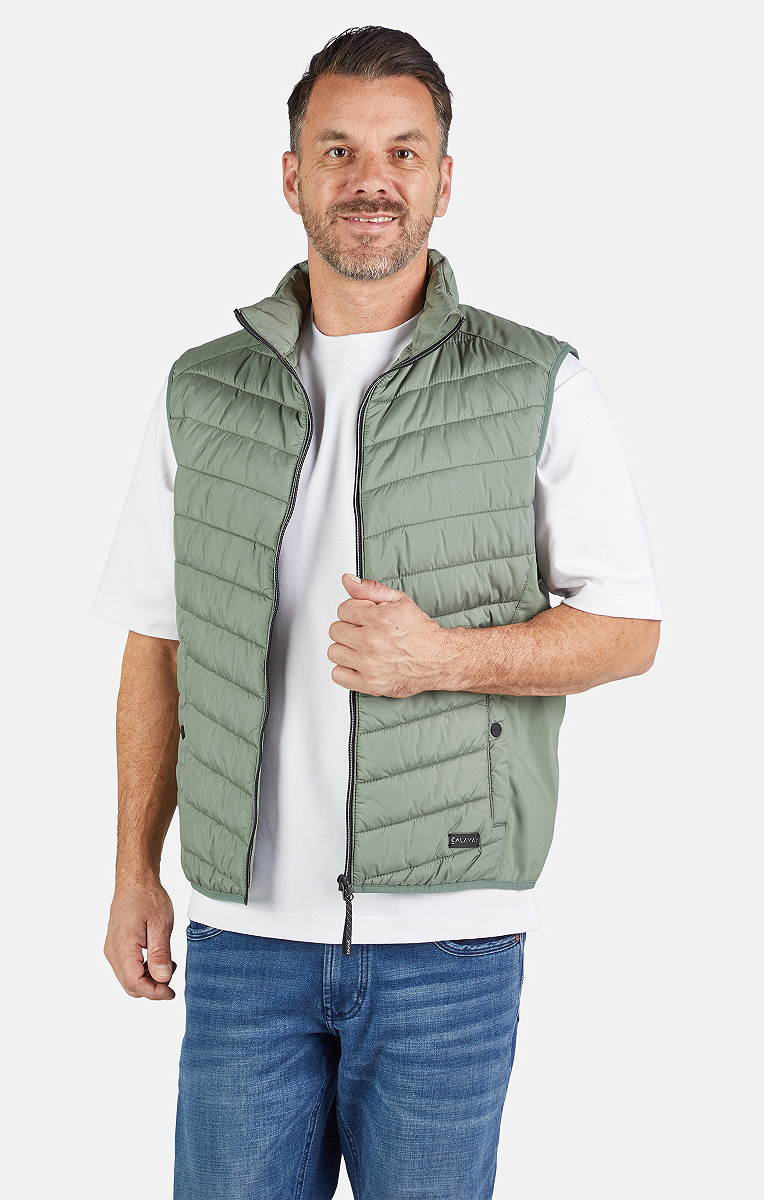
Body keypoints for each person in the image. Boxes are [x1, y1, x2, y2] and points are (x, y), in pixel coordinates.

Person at [94, 25, 663, 1200]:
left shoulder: (536, 383)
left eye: (402, 152)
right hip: (243, 942)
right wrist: (132, 873)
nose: (369, 179)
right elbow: (157, 642)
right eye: (338, 150)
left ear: (443, 181)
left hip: (447, 945)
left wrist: (439, 656)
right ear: (291, 175)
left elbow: (626, 630)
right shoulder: (201, 389)